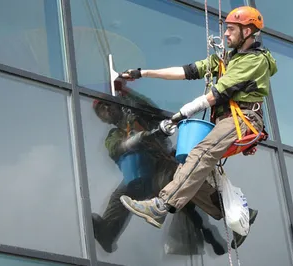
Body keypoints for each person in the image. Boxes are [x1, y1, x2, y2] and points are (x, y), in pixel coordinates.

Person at [118, 6, 278, 249]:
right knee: (186, 170)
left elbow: (218, 94)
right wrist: (144, 72)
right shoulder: (226, 59)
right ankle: (236, 212)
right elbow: (187, 71)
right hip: (227, 122)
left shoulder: (255, 61)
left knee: (201, 154)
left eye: (231, 29)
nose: (225, 34)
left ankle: (161, 206)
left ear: (247, 31)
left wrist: (184, 112)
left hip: (243, 119)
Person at [91, 79, 225, 255]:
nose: (106, 110)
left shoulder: (140, 117)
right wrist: (138, 138)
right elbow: (117, 148)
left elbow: (151, 109)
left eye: (107, 105)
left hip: (162, 164)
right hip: (141, 173)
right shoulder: (114, 135)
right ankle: (108, 232)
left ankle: (209, 225)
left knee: (181, 190)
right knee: (120, 196)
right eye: (101, 110)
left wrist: (126, 92)